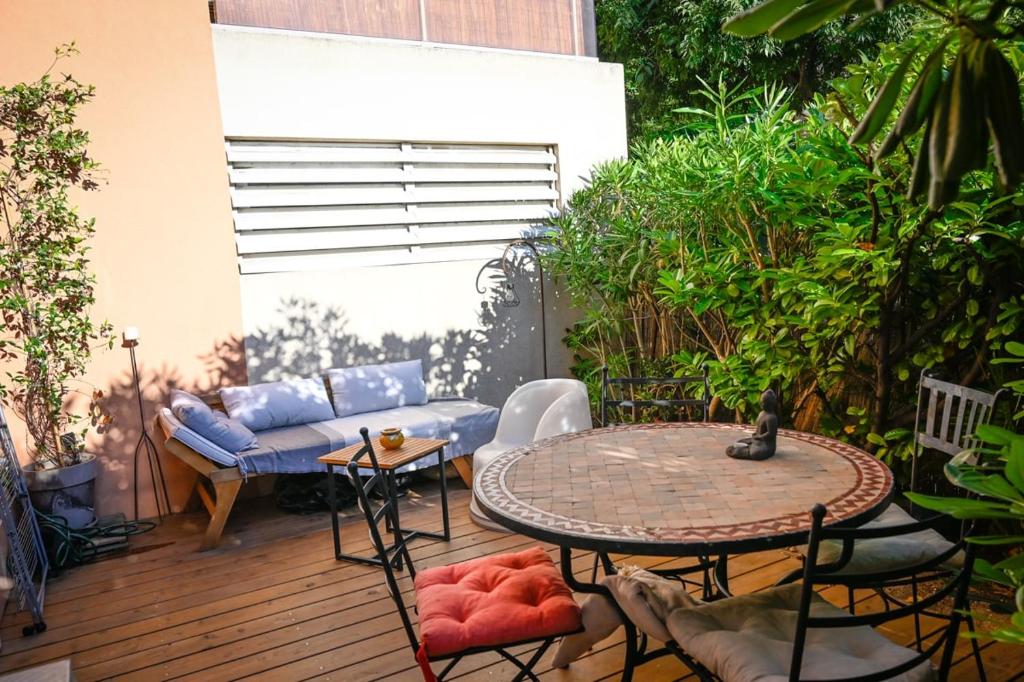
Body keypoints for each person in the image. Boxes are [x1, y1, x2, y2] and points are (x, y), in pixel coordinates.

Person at [726, 389, 778, 460]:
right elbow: (758, 430)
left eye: (763, 403)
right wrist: (756, 436)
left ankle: (744, 450)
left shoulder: (771, 418)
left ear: (770, 404)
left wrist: (760, 437)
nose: (761, 404)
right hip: (757, 440)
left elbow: (771, 433)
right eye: (761, 402)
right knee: (740, 442)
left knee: (755, 453)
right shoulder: (761, 413)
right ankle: (744, 449)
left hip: (766, 444)